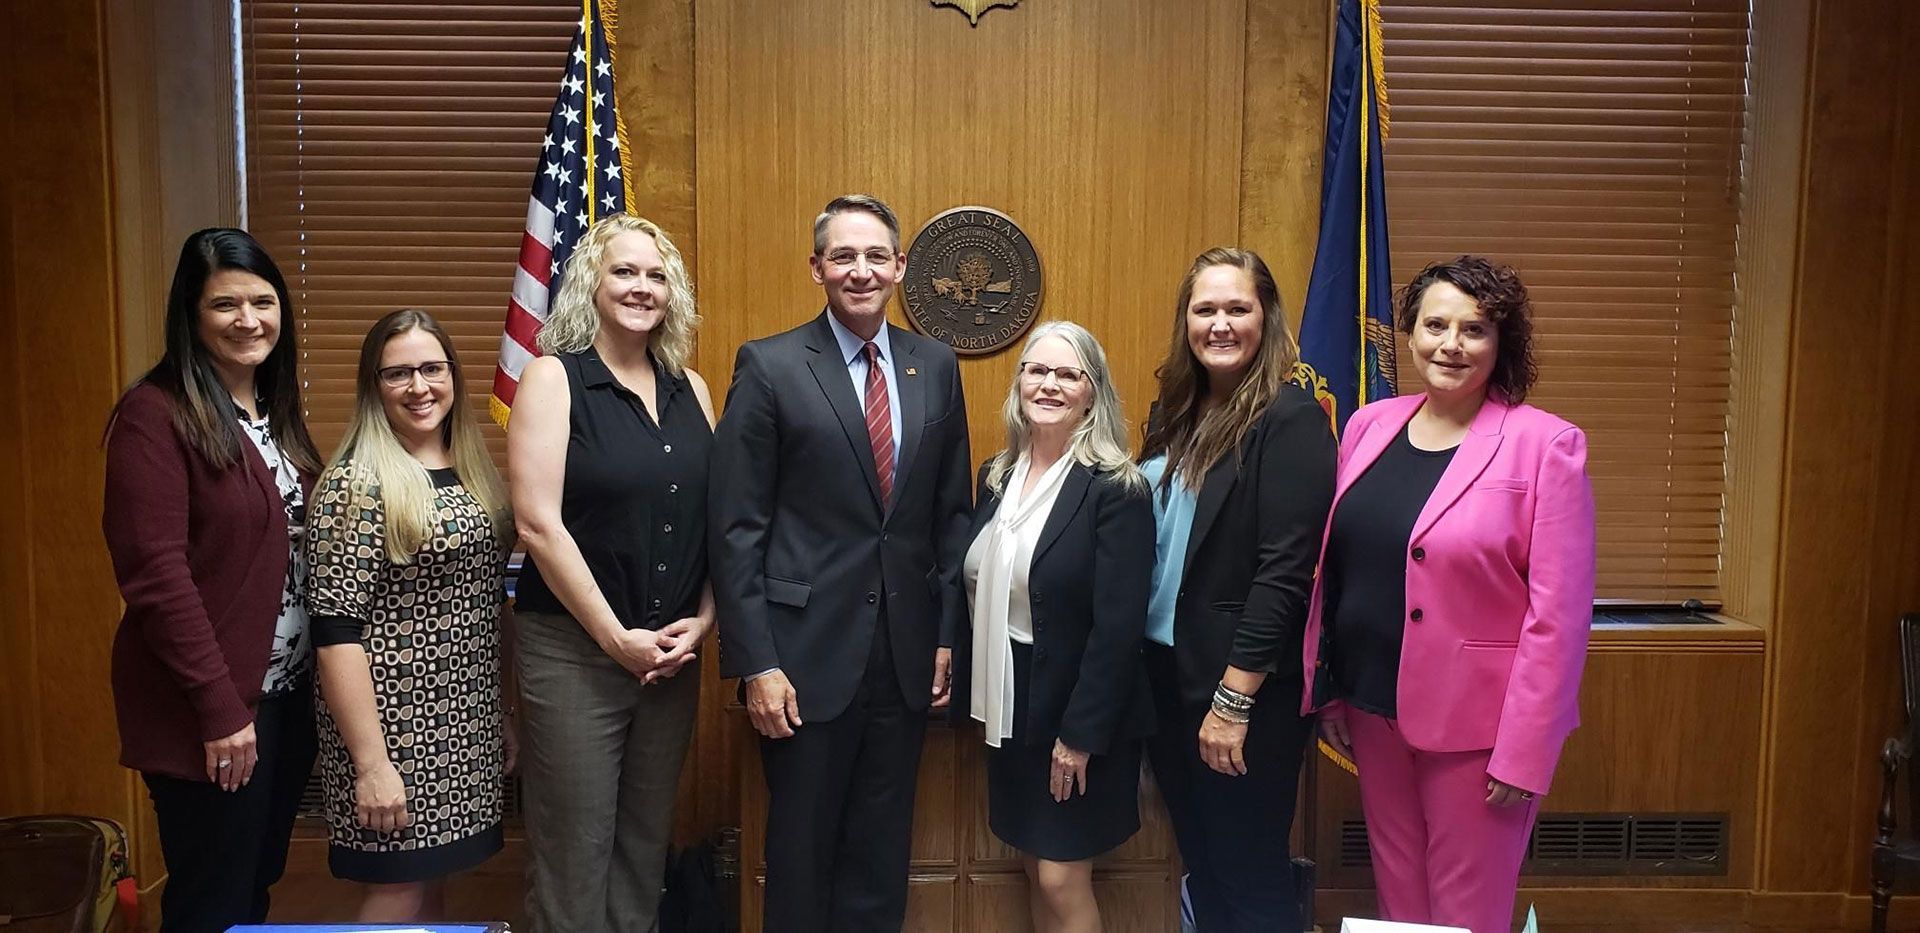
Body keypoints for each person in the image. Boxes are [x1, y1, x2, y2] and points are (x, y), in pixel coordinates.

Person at [709, 194, 974, 933]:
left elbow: (952, 516)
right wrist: (754, 661)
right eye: (844, 256)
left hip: (904, 655)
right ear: (818, 267)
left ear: (898, 267)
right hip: (800, 661)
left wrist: (946, 635)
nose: (861, 270)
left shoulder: (935, 365)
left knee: (880, 855)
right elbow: (735, 528)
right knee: (799, 856)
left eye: (875, 256)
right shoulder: (769, 365)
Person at [1306, 256, 1595, 933]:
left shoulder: (1546, 445)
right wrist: (1333, 689)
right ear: (1408, 334)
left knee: (1468, 915)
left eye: (1474, 329)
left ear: (1502, 344)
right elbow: (1345, 566)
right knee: (1401, 910)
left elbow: (1559, 616)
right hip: (1375, 710)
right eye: (1435, 324)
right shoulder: (1369, 426)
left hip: (1480, 734)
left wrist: (1526, 750)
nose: (1451, 344)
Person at [103, 228, 324, 933]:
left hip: (285, 699)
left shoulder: (275, 415)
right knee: (211, 900)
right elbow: (156, 575)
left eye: (263, 301)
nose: (249, 319)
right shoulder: (155, 415)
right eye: (225, 303)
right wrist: (221, 710)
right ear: (191, 316)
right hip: (216, 713)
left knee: (252, 887)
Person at [507, 214, 717, 932]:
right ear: (591, 285)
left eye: (656, 275)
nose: (641, 287)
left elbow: (716, 519)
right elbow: (537, 523)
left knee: (641, 851)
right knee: (573, 856)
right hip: (574, 653)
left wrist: (707, 618)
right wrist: (613, 636)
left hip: (669, 658)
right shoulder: (553, 379)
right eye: (624, 271)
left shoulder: (693, 388)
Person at [1136, 247, 1337, 932]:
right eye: (1205, 309)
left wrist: (1232, 701)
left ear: (1266, 317)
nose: (1220, 324)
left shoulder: (1290, 419)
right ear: (1186, 320)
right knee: (1207, 867)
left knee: (1250, 876)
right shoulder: (1175, 413)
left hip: (1241, 691)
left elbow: (1285, 571)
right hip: (1168, 677)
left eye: (1237, 308)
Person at [305, 309, 514, 920]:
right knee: (398, 886)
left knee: (433, 879)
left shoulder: (473, 475)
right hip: (391, 731)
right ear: (374, 387)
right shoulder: (356, 483)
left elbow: (486, 603)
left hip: (463, 723)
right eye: (397, 374)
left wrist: (502, 714)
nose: (419, 387)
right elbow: (334, 632)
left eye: (431, 368)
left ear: (453, 375)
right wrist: (371, 765)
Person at [959, 321, 1154, 933]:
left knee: (1061, 876)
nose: (1048, 384)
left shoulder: (1117, 488)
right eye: (1036, 371)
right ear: (1018, 383)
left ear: (1093, 393)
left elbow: (1118, 628)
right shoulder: (998, 476)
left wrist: (1080, 736)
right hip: (1010, 699)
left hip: (1079, 709)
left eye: (1068, 374)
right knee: (1031, 866)